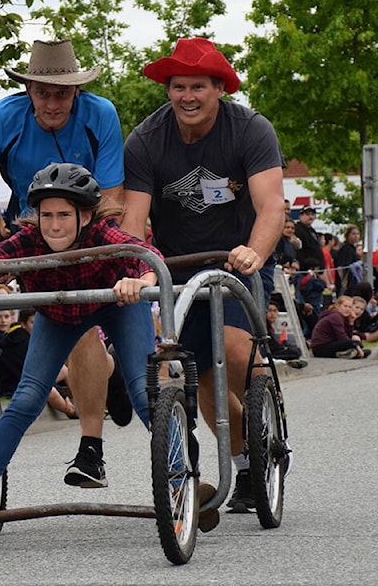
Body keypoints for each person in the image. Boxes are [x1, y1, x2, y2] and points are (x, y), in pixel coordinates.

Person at [121, 37, 286, 513]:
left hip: (239, 255)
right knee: (201, 376)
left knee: (232, 349)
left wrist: (253, 253)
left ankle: (264, 402)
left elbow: (271, 206)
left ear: (219, 88)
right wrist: (134, 270)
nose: (186, 96)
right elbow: (134, 220)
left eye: (197, 86)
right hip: (177, 267)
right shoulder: (147, 139)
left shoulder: (250, 130)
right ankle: (247, 462)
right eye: (178, 87)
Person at [0, 39, 128, 475]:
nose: (53, 102)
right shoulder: (3, 118)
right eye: (44, 92)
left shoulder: (101, 114)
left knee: (83, 326)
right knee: (65, 330)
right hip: (33, 230)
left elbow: (112, 198)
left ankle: (91, 450)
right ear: (28, 90)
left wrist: (95, 252)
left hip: (92, 228)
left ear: (77, 92)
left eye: (63, 93)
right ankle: (113, 374)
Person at [0, 163, 159, 518]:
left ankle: (183, 476)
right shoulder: (30, 239)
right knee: (27, 398)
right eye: (47, 215)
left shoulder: (102, 232)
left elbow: (142, 254)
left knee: (144, 392)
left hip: (116, 307)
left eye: (64, 214)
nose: (54, 225)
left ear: (87, 215)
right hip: (59, 316)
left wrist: (141, 279)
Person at [334, 225, 362, 295]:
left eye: (357, 234)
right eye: (353, 234)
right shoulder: (347, 249)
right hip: (348, 283)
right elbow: (341, 267)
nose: (356, 236)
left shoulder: (352, 248)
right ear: (347, 235)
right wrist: (343, 282)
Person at [294, 206, 324, 272]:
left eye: (312, 214)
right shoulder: (298, 229)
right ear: (300, 216)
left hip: (316, 268)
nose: (310, 217)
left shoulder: (312, 230)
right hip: (305, 269)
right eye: (307, 214)